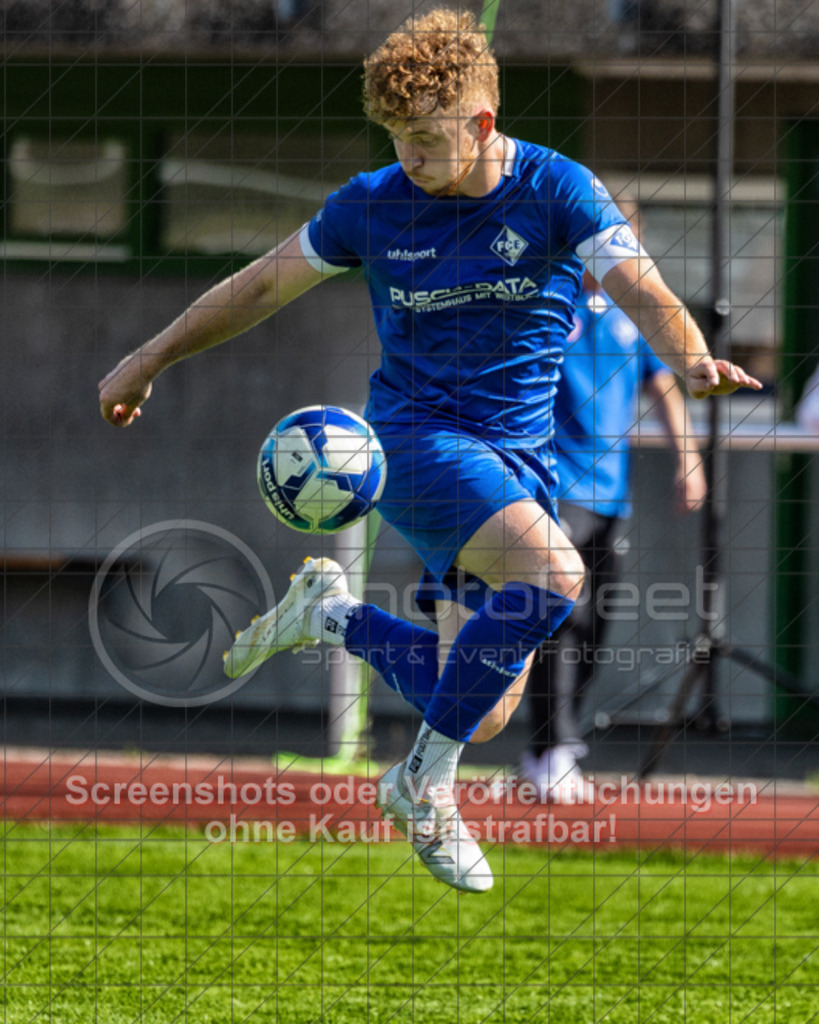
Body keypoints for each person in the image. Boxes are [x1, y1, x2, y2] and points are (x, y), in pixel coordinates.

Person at [99, 8, 762, 894]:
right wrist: (147, 360)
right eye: (397, 139)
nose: (406, 157)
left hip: (521, 463)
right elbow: (260, 285)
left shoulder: (560, 189)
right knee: (558, 581)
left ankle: (330, 616)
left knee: (483, 710)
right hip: (412, 441)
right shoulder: (372, 205)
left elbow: (635, 281)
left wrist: (689, 357)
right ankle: (421, 784)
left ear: (482, 124)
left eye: (423, 139)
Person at [521, 263, 708, 803]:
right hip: (554, 485)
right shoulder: (545, 302)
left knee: (595, 624)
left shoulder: (632, 314)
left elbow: (662, 386)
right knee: (558, 616)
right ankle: (555, 748)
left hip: (612, 493)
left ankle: (546, 749)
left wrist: (688, 460)